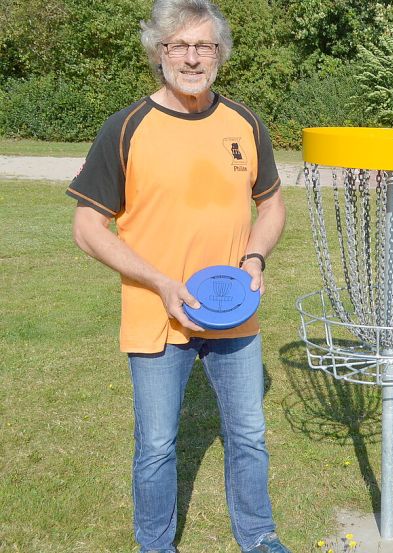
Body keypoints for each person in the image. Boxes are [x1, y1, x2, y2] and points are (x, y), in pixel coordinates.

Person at [67, 1, 289, 551]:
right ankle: (155, 544)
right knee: (158, 445)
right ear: (159, 52)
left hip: (235, 313)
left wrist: (255, 256)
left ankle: (259, 538)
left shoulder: (245, 122)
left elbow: (274, 203)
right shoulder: (126, 127)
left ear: (220, 54)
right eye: (180, 46)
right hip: (156, 315)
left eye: (205, 46)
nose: (193, 58)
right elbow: (88, 226)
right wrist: (162, 282)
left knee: (249, 435)